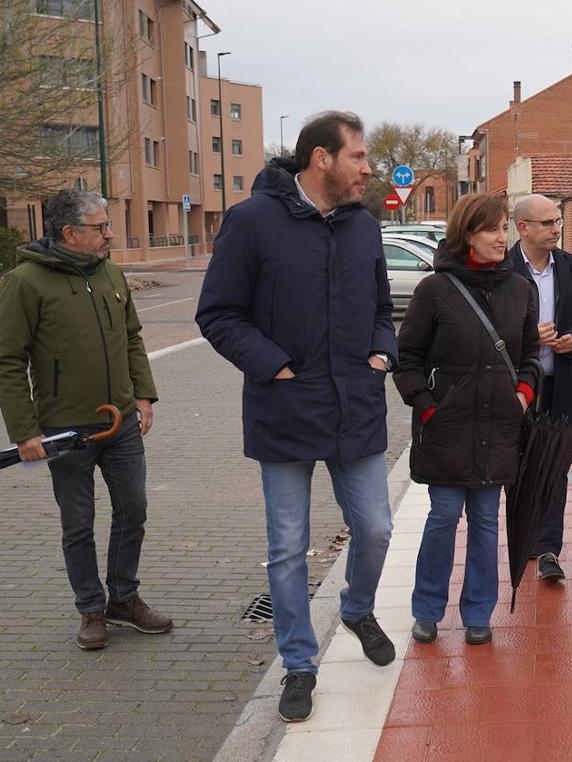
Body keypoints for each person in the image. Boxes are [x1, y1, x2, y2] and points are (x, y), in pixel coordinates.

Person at [196, 111, 397, 723]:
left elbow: (382, 305)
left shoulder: (363, 227)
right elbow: (219, 313)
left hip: (354, 407)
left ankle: (357, 608)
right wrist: (275, 366)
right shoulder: (253, 221)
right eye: (358, 157)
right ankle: (299, 664)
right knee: (288, 548)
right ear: (321, 159)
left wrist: (382, 351)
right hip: (284, 407)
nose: (368, 169)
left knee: (376, 530)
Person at [0, 189, 170, 651]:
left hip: (122, 422)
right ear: (70, 233)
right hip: (66, 431)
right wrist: (25, 432)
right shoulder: (25, 281)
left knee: (134, 511)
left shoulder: (110, 273)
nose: (110, 234)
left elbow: (131, 337)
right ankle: (91, 608)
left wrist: (144, 394)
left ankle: (123, 600)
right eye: (101, 227)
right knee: (79, 522)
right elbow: (7, 360)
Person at [393, 194, 539, 647]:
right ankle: (427, 609)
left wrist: (522, 395)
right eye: (492, 229)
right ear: (467, 235)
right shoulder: (434, 290)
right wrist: (427, 404)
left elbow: (531, 356)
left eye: (504, 228)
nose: (502, 237)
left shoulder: (520, 289)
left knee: (486, 520)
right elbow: (407, 357)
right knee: (443, 515)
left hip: (498, 424)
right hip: (448, 426)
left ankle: (479, 612)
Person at [508, 194, 572, 581]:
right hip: (516, 386)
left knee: (556, 463)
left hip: (561, 381)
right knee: (516, 465)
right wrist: (529, 336)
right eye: (546, 223)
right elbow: (486, 329)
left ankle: (549, 549)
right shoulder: (503, 269)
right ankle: (522, 537)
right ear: (522, 227)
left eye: (557, 220)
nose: (555, 228)